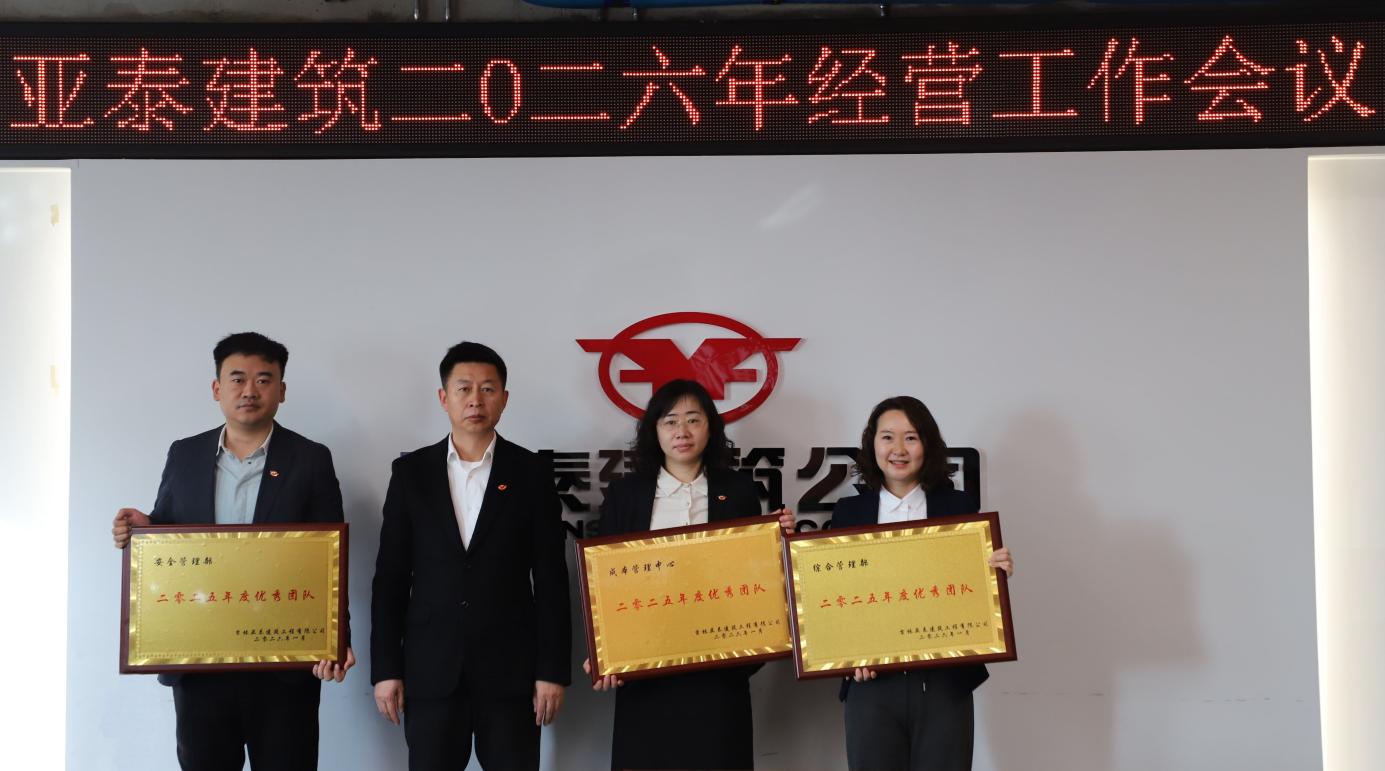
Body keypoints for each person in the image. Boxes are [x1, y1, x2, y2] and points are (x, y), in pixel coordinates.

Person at [110, 331, 354, 771]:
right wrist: (145, 528)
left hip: (282, 663)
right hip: (200, 660)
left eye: (264, 380)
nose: (249, 391)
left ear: (282, 390)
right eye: (237, 379)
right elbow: (171, 533)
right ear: (217, 388)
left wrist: (337, 638)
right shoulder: (184, 454)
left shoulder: (310, 459)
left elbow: (330, 559)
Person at [778, 395, 1013, 771]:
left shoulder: (958, 507)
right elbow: (833, 595)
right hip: (871, 684)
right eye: (887, 437)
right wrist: (848, 657)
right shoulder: (849, 512)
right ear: (872, 445)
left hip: (945, 681)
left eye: (911, 438)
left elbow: (970, 589)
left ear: (927, 445)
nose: (898, 449)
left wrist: (994, 573)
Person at [370, 341, 570, 771]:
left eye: (488, 389)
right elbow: (390, 578)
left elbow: (552, 578)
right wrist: (386, 669)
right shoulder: (411, 474)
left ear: (504, 398)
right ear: (444, 397)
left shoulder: (531, 473)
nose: (475, 400)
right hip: (431, 671)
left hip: (512, 674)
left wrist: (551, 671)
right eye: (464, 389)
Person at [585, 379, 788, 770]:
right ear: (655, 430)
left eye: (693, 419)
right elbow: (604, 581)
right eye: (670, 421)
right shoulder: (626, 494)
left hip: (718, 666)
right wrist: (604, 651)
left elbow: (755, 574)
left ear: (710, 428)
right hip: (646, 667)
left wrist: (777, 539)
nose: (682, 431)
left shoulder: (738, 490)